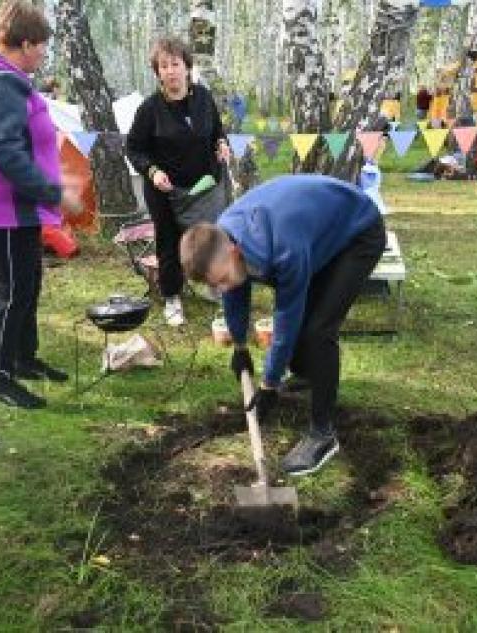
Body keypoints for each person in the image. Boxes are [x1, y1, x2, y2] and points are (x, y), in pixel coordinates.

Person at [179, 175, 386, 476]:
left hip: (357, 232)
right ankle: (308, 373)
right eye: (215, 284)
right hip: (316, 230)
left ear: (235, 252)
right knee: (304, 325)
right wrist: (239, 346)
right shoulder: (222, 236)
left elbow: (287, 316)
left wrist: (269, 383)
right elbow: (235, 290)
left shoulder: (282, 248)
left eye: (221, 279)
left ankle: (322, 434)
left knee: (318, 331)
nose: (222, 287)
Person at [0, 0, 81, 409]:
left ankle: (25, 359)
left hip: (15, 207)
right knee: (12, 291)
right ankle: (2, 379)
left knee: (29, 285)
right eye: (41, 45)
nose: (43, 54)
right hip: (2, 207)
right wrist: (54, 192)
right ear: (25, 44)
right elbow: (4, 153)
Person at [126, 37, 231, 326]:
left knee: (209, 237)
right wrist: (152, 172)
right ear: (157, 72)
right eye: (164, 66)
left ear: (187, 67)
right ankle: (172, 296)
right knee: (169, 241)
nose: (171, 71)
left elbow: (216, 131)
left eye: (176, 64)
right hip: (165, 189)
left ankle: (213, 286)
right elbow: (134, 148)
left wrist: (221, 144)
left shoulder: (204, 98)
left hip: (203, 185)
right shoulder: (150, 109)